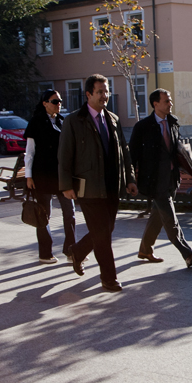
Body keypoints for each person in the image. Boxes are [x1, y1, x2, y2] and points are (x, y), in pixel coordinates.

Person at [58, 74, 138, 292]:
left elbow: (124, 152)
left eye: (107, 91)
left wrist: (130, 178)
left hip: (112, 185)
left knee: (107, 228)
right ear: (88, 94)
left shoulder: (113, 119)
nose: (105, 96)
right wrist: (66, 185)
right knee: (102, 233)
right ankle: (109, 278)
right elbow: (64, 155)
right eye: (100, 92)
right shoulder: (74, 121)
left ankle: (77, 251)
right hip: (89, 188)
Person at [129, 89, 192, 268]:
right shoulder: (143, 127)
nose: (170, 104)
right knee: (169, 217)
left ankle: (145, 249)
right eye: (167, 101)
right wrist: (130, 179)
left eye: (170, 100)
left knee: (158, 215)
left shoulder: (173, 123)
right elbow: (132, 155)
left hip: (171, 178)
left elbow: (175, 149)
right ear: (155, 104)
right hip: (154, 180)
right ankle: (187, 253)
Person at [24, 89, 77, 264]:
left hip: (62, 176)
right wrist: (29, 176)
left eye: (60, 101)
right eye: (55, 101)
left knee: (70, 212)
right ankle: (45, 253)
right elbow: (30, 152)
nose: (58, 104)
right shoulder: (36, 122)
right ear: (45, 103)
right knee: (43, 215)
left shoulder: (63, 121)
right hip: (42, 175)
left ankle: (71, 250)